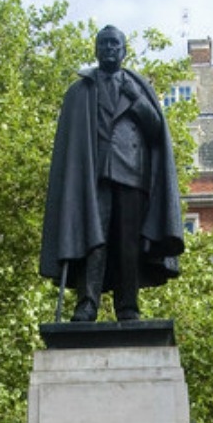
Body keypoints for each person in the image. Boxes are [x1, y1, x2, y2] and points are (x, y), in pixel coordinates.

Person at [40, 25, 185, 322]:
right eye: (103, 44)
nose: (108, 49)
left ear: (124, 50)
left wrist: (136, 99)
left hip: (132, 173)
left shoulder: (138, 86)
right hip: (91, 175)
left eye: (114, 44)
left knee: (127, 242)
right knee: (93, 239)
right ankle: (87, 302)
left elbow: (156, 131)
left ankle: (127, 305)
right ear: (95, 50)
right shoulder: (79, 91)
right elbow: (69, 144)